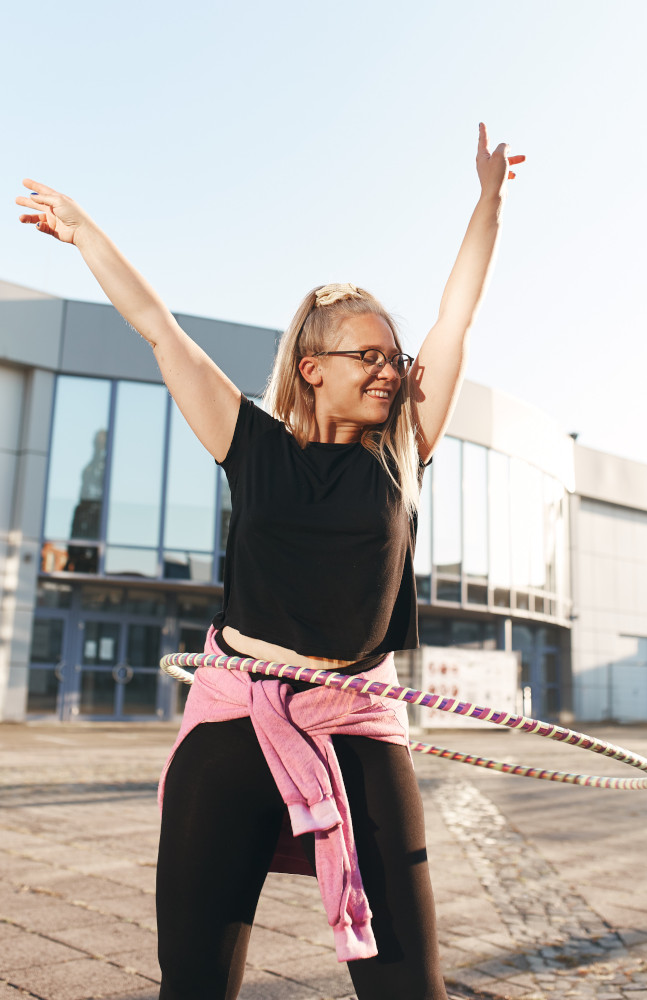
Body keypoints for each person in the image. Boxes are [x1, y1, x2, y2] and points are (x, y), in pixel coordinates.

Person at [17, 123, 524, 1000]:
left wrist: (488, 202)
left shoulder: (399, 450)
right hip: (233, 725)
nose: (390, 372)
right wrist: (84, 232)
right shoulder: (248, 443)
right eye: (366, 356)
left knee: (413, 992)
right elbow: (157, 330)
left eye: (393, 359)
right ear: (310, 366)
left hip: (358, 724)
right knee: (194, 987)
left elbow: (457, 315)